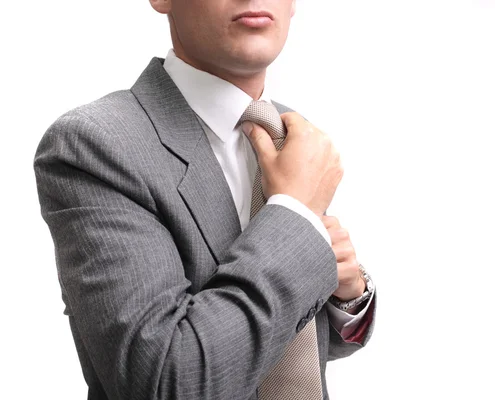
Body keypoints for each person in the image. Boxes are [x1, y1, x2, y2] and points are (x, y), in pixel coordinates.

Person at [33, 0, 376, 399]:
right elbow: (169, 381)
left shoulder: (290, 132)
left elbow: (277, 348)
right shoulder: (95, 146)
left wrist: (348, 296)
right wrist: (294, 217)